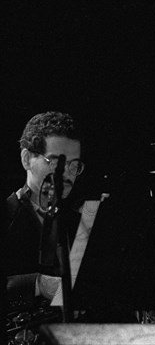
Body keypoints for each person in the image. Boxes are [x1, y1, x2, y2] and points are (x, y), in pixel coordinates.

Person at [6, 111, 86, 309]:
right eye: (56, 163)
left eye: (73, 165)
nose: (66, 174)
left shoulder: (79, 222)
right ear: (26, 159)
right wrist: (38, 283)